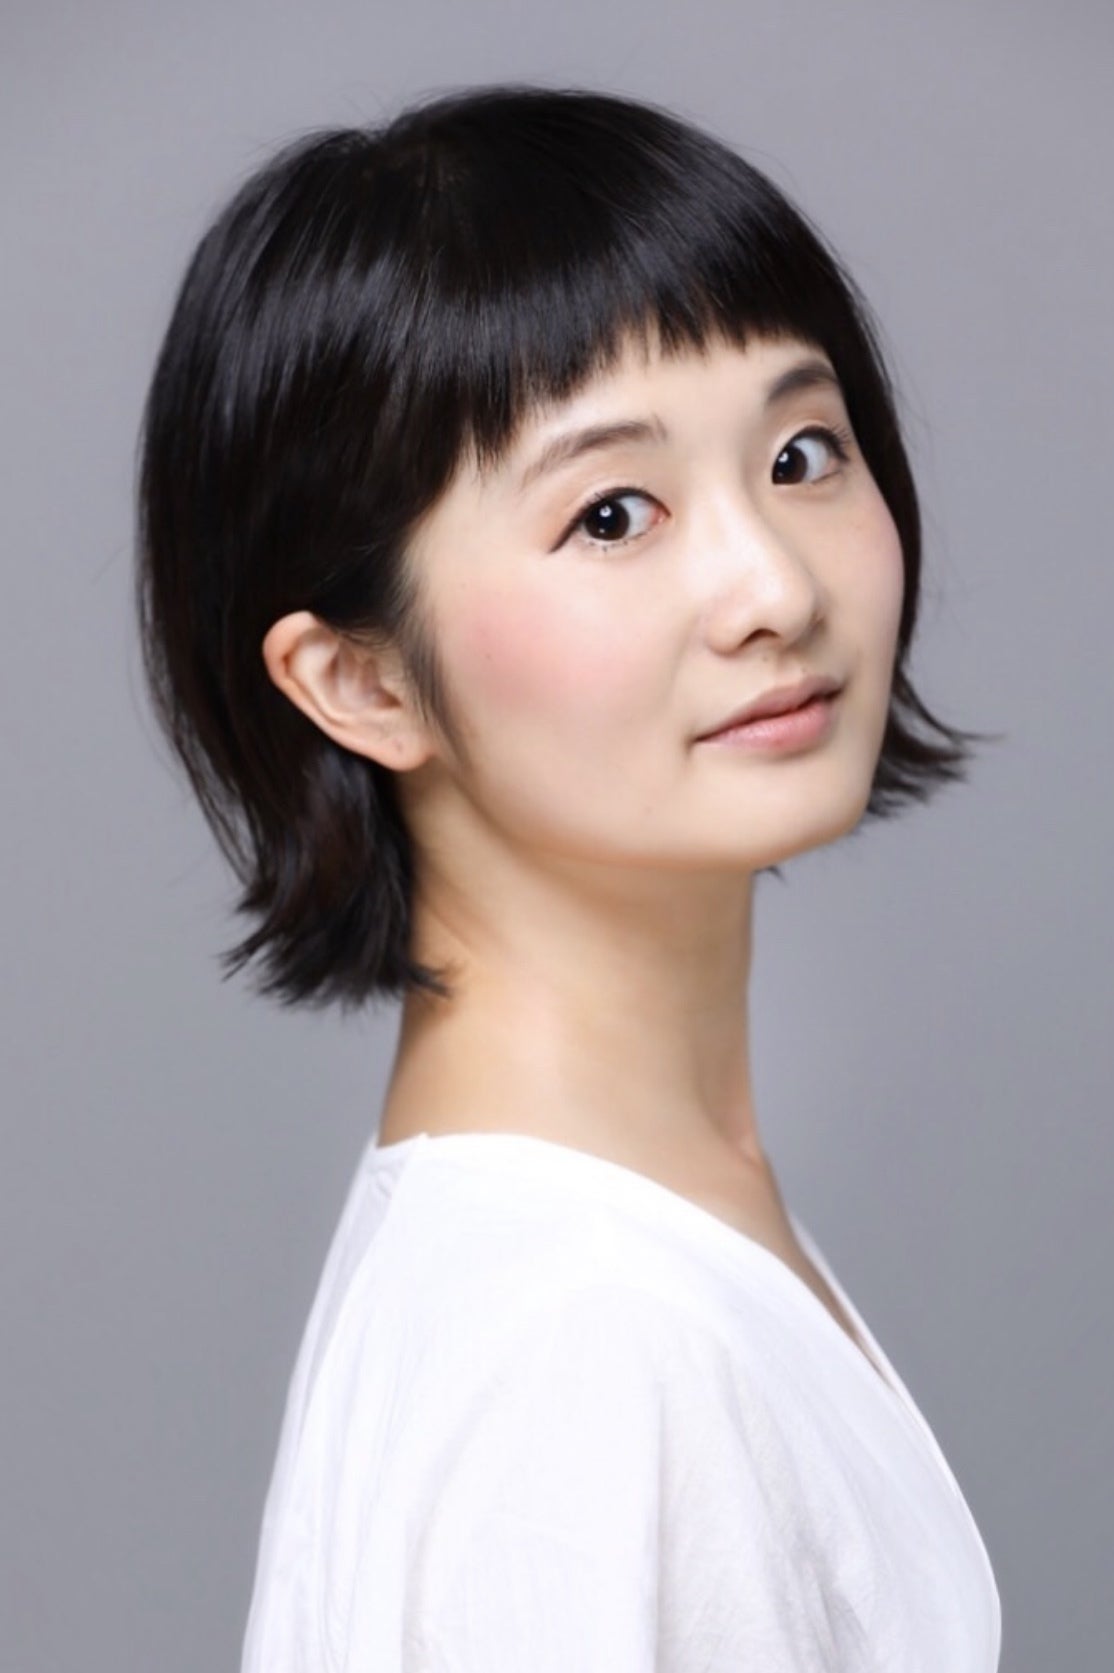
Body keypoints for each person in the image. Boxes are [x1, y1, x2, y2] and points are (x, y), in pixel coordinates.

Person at [135, 82, 1003, 1671]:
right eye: (612, 513)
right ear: (360, 681)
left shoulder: (611, 1243)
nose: (771, 583)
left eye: (802, 451)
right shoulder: (586, 1341)